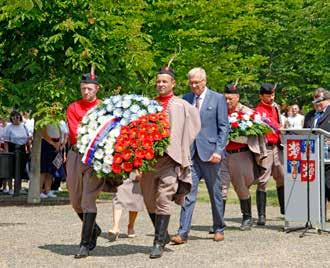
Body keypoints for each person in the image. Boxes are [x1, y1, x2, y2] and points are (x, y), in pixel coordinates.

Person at [139, 66, 201, 259]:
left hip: (170, 160)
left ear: (173, 83)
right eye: (158, 81)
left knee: (164, 199)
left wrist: (179, 147)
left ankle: (158, 242)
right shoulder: (147, 105)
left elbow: (194, 126)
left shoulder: (182, 105)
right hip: (149, 161)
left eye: (164, 81)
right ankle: (163, 234)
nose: (161, 84)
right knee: (149, 200)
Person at [171, 67, 229, 245]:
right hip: (191, 155)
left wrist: (218, 151)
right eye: (191, 82)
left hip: (211, 154)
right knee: (188, 193)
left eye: (197, 82)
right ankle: (183, 232)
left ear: (204, 81)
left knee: (215, 194)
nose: (194, 85)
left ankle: (219, 227)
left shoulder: (218, 98)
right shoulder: (185, 99)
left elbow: (224, 127)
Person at [66, 70, 104, 258]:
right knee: (75, 200)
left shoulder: (104, 107)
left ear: (97, 89)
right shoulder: (73, 107)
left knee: (88, 200)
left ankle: (85, 243)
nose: (86, 91)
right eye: (83, 88)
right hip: (76, 154)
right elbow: (75, 132)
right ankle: (93, 228)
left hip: (96, 157)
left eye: (89, 88)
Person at [255, 83, 285, 225]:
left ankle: (284, 209)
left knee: (282, 177)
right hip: (266, 147)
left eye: (272, 95)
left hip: (277, 146)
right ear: (261, 96)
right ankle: (262, 215)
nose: (271, 98)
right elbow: (273, 125)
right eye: (268, 96)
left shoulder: (276, 106)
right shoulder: (259, 110)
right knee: (263, 180)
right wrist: (281, 128)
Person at [303, 88, 330, 200]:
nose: (316, 104)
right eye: (314, 101)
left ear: (328, 100)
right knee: (318, 188)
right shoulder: (309, 115)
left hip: (328, 155)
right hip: (313, 157)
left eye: (319, 101)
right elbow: (304, 132)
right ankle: (319, 215)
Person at [108, 171, 144, 241]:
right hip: (121, 170)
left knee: (134, 201)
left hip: (136, 170)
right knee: (118, 197)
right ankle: (115, 227)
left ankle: (131, 226)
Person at [3, 110, 31, 195]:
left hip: (22, 149)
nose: (16, 118)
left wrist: (29, 150)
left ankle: (18, 188)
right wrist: (7, 153)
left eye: (18, 117)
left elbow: (27, 140)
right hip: (12, 148)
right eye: (14, 117)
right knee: (11, 170)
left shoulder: (24, 126)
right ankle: (11, 188)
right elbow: (6, 141)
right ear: (11, 118)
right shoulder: (9, 127)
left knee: (20, 170)